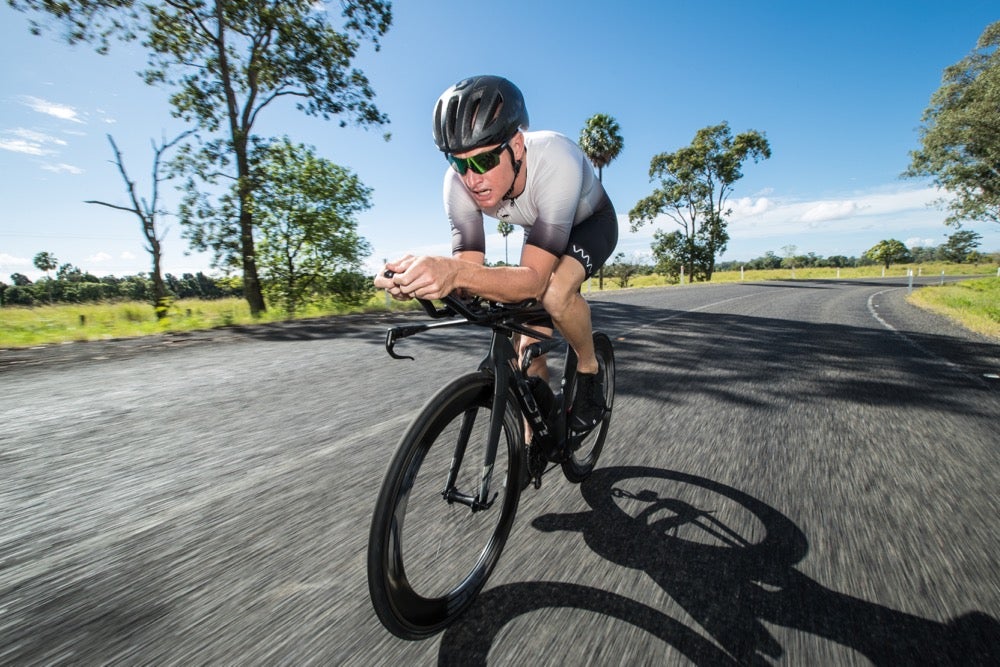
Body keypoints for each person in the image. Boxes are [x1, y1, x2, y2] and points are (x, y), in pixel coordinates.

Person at [375, 75, 618, 432]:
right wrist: (419, 279)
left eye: (485, 160)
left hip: (590, 224)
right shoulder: (456, 183)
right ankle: (533, 439)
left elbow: (533, 281)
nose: (472, 179)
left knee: (554, 293)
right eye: (459, 163)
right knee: (525, 347)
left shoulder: (557, 158)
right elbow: (469, 268)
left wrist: (453, 273)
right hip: (541, 230)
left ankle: (588, 369)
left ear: (517, 146)